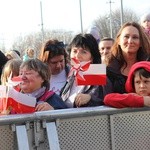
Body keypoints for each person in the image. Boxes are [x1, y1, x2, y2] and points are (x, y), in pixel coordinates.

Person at [103, 21, 150, 95]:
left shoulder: (148, 65)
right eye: (126, 37)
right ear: (118, 40)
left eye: (135, 37)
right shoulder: (106, 68)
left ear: (141, 42)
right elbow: (100, 96)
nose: (130, 41)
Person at [60, 33, 104, 108]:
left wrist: (90, 97)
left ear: (92, 56)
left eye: (83, 52)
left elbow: (102, 96)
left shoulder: (96, 73)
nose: (77, 56)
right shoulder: (70, 74)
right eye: (74, 51)